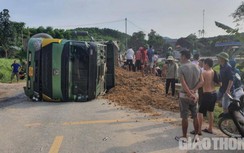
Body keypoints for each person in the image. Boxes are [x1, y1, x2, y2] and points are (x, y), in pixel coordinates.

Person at [175, 49, 203, 142]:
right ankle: (196, 137)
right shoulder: (197, 67)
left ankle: (184, 137)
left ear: (183, 56)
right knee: (195, 116)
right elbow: (202, 81)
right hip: (195, 96)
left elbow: (183, 83)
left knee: (184, 117)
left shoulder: (182, 68)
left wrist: (189, 93)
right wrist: (193, 91)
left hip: (185, 96)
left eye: (180, 56)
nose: (179, 58)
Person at [197, 58, 217, 135]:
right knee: (210, 111)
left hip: (207, 94)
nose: (203, 65)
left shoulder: (204, 73)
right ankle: (210, 128)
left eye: (204, 64)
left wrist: (193, 89)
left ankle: (198, 130)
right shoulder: (213, 71)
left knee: (200, 112)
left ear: (207, 64)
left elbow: (201, 83)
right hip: (214, 93)